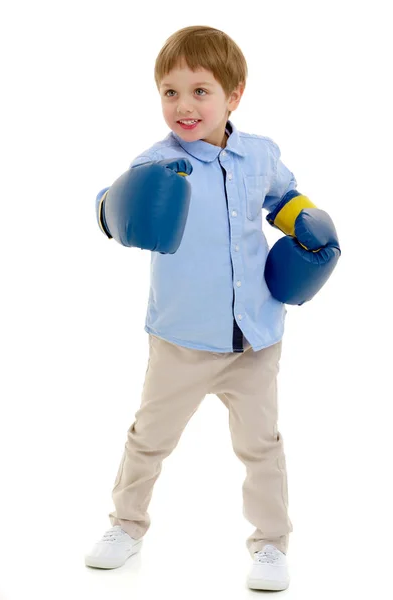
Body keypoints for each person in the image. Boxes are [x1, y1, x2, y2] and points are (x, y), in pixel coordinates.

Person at [85, 24, 312, 592]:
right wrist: (118, 209)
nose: (184, 105)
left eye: (200, 90)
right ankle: (126, 526)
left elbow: (283, 197)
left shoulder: (259, 155)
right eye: (170, 91)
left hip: (254, 338)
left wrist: (307, 226)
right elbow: (111, 206)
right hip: (181, 339)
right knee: (149, 438)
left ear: (234, 94)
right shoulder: (159, 163)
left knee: (262, 446)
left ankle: (270, 545)